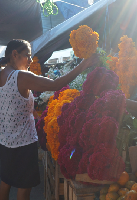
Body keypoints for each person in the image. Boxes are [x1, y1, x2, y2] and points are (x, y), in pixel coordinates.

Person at [0, 39, 99, 200]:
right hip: (23, 143)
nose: (31, 60)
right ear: (14, 54)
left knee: (6, 182)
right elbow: (55, 84)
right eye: (27, 55)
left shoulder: (2, 74)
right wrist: (83, 65)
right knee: (24, 187)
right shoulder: (21, 76)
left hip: (5, 142)